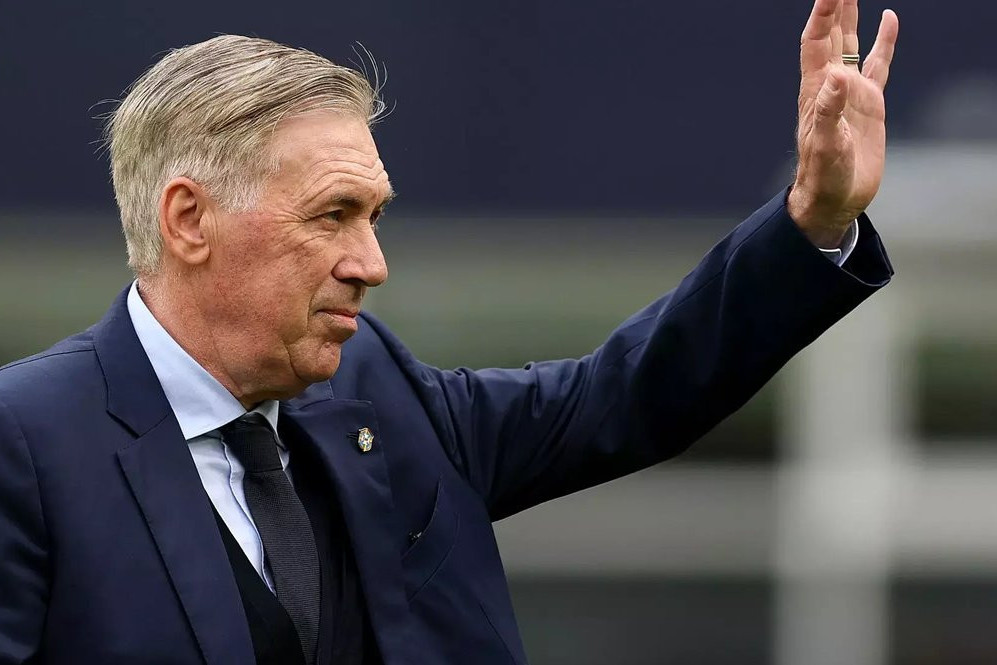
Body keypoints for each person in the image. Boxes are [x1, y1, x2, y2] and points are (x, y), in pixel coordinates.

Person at [0, 0, 899, 663]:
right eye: (332, 215)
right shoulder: (28, 444)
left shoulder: (377, 389)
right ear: (190, 219)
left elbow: (627, 393)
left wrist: (811, 219)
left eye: (375, 216)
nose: (370, 262)